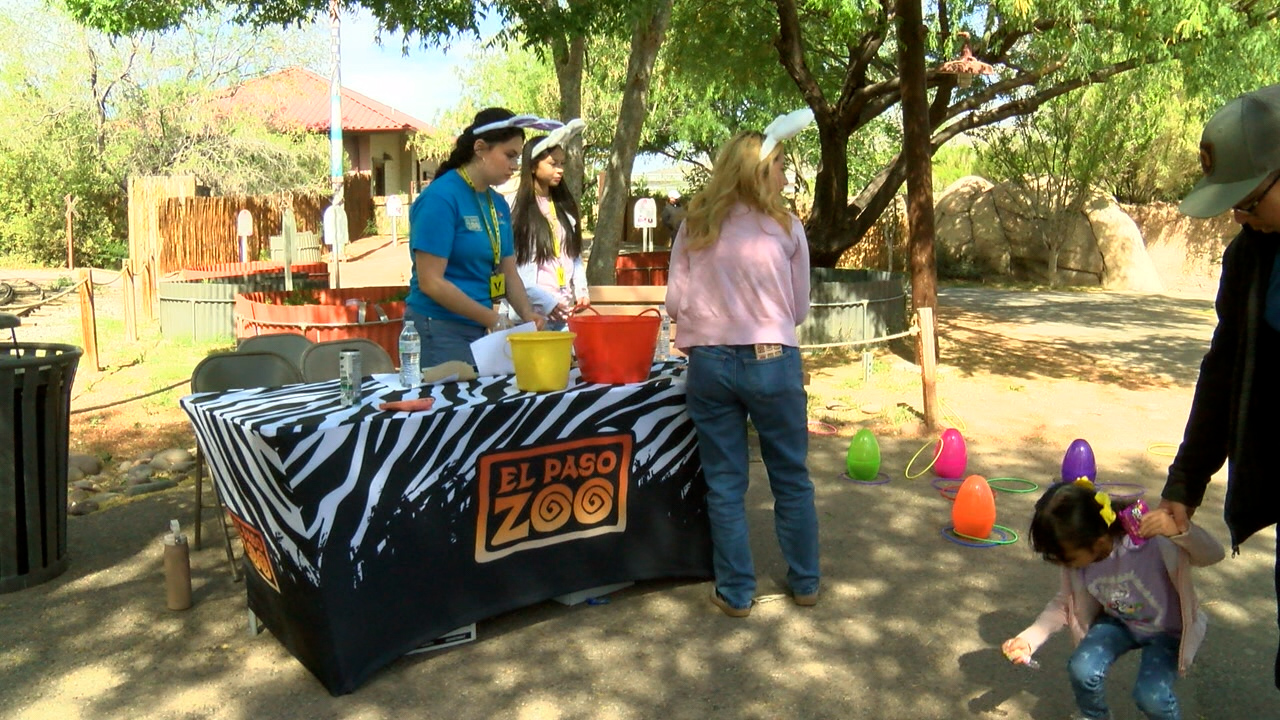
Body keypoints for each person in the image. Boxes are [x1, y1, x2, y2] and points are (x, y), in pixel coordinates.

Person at [665, 109, 817, 617]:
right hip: (773, 360)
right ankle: (806, 582)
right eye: (779, 166)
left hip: (708, 364)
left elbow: (673, 303)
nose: (783, 174)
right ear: (759, 170)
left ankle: (736, 592)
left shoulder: (695, 225)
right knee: (790, 477)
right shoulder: (787, 228)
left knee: (725, 484)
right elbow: (797, 310)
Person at [1158, 83, 1280, 690]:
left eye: (1249, 199)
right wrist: (1186, 480)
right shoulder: (1251, 258)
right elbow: (1225, 368)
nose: (1240, 215)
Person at [1003, 480, 1224, 720]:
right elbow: (1063, 604)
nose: (1064, 566)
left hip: (1168, 632)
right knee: (1082, 669)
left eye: (1067, 559)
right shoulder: (1078, 565)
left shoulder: (1150, 541)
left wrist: (1178, 531)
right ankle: (1094, 716)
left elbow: (1214, 554)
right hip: (1120, 623)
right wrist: (1029, 639)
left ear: (1097, 543)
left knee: (1151, 696)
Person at [405, 108, 548, 368]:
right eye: (509, 155)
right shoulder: (441, 198)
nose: (515, 166)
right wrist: (491, 319)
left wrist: (527, 314)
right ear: (480, 148)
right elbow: (431, 282)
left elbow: (507, 270)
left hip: (480, 328)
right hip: (438, 327)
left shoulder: (498, 203)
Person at [507, 119, 589, 330]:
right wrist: (548, 303)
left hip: (564, 314)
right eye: (553, 164)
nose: (560, 170)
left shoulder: (564, 207)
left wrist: (581, 289)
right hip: (532, 317)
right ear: (533, 166)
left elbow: (573, 253)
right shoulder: (517, 212)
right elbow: (516, 271)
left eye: (562, 163)